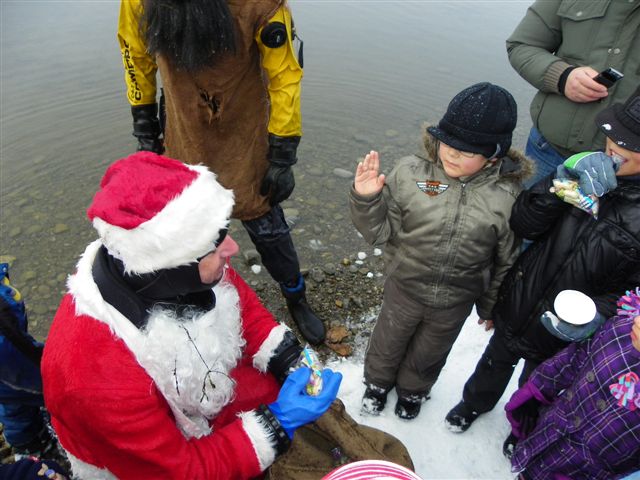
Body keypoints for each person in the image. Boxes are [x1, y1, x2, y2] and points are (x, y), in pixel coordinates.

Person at [41, 152, 342, 479]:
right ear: (170, 271)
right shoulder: (93, 378)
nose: (232, 249)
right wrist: (275, 425)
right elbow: (183, 471)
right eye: (214, 245)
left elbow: (241, 304)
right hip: (145, 461)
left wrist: (286, 356)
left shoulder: (174, 267)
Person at [117, 0, 326, 345]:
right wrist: (145, 131)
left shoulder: (260, 6)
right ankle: (193, 298)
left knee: (268, 229)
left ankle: (295, 295)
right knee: (187, 230)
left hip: (246, 137)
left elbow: (285, 76)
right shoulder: (141, 2)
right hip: (183, 132)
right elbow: (135, 56)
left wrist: (283, 153)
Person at [445, 88, 640, 446]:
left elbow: (633, 295)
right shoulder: (583, 169)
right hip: (524, 295)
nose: (614, 145)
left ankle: (522, 429)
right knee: (494, 361)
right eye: (614, 134)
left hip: (568, 326)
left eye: (631, 143)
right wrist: (558, 182)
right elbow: (524, 224)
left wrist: (599, 315)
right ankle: (473, 403)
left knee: (540, 384)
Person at [349, 83, 532, 420]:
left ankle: (413, 391)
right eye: (447, 142)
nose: (451, 153)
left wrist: (490, 306)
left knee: (429, 354)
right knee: (387, 342)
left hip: (455, 301)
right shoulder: (410, 173)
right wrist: (366, 198)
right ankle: (376, 384)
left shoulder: (507, 197)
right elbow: (379, 232)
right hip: (404, 287)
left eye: (466, 151)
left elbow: (505, 259)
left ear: (493, 155)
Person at [504, 289, 640, 480]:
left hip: (585, 472)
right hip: (550, 437)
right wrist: (537, 387)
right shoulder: (623, 326)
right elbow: (575, 358)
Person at [506, 0, 640, 185]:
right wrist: (561, 76)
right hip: (547, 152)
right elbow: (522, 44)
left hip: (630, 174)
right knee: (527, 203)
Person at [0, 264, 65, 466]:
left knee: (13, 401)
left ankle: (27, 440)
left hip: (12, 344)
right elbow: (20, 367)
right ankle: (32, 445)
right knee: (40, 391)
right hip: (11, 362)